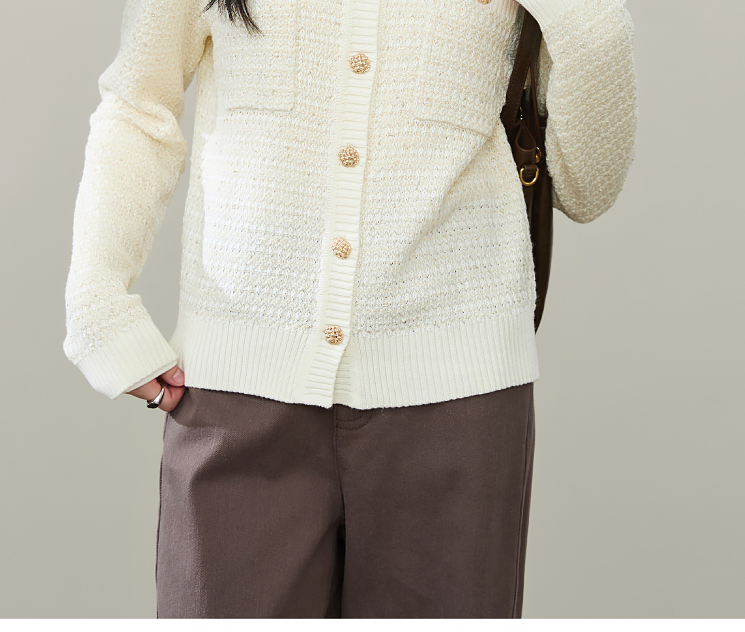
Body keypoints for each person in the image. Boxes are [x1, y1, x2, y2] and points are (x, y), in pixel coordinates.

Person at [63, 0, 637, 618]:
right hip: (236, 394)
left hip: (458, 405)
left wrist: (591, 18)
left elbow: (586, 188)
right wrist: (96, 299)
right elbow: (139, 105)